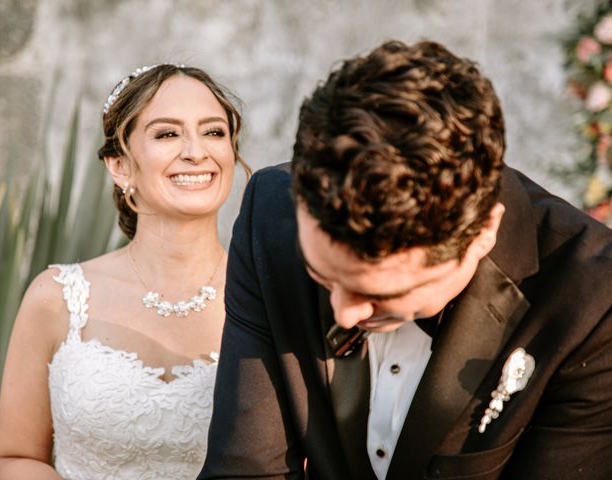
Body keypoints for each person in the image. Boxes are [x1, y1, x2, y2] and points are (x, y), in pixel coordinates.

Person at [199, 40, 612, 479]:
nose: (344, 313)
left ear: (482, 233)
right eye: (322, 274)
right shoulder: (271, 218)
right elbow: (244, 469)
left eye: (379, 292)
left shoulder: (593, 304)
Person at [0, 63, 248, 479]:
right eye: (167, 134)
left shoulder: (267, 294)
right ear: (120, 166)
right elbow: (15, 458)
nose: (197, 151)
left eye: (214, 131)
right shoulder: (56, 298)